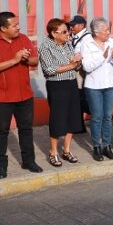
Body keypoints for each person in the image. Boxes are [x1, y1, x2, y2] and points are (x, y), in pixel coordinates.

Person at [0, 12, 42, 179]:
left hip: (24, 94)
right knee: (1, 131)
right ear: (3, 28)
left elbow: (36, 61)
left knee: (26, 129)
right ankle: (1, 166)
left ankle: (28, 161)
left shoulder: (23, 39)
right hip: (1, 97)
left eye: (18, 24)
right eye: (14, 25)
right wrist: (14, 60)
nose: (19, 28)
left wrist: (26, 59)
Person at [38, 18, 84, 167]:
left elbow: (75, 66)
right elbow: (49, 70)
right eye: (64, 32)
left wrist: (77, 62)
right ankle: (53, 152)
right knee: (57, 119)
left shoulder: (68, 44)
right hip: (57, 86)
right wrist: (71, 65)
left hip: (71, 83)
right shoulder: (46, 46)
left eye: (68, 31)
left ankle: (67, 150)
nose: (67, 34)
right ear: (53, 33)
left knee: (73, 117)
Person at [80, 17, 113, 161]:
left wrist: (111, 57)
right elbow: (87, 66)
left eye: (108, 29)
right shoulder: (86, 43)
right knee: (97, 117)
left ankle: (107, 145)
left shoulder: (111, 42)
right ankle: (96, 146)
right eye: (105, 30)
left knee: (107, 117)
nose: (108, 32)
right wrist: (102, 56)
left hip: (109, 84)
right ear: (96, 32)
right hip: (93, 86)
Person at [67, 14, 91, 127]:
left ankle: (94, 115)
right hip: (75, 70)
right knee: (77, 97)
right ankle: (79, 124)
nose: (71, 27)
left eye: (73, 25)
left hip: (82, 71)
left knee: (80, 97)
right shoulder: (75, 36)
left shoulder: (87, 38)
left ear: (81, 25)